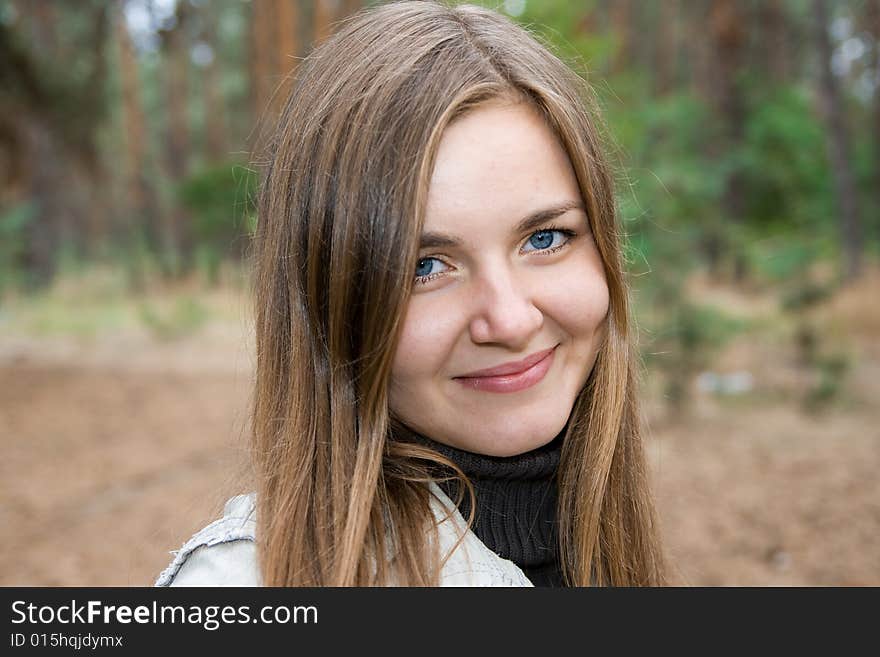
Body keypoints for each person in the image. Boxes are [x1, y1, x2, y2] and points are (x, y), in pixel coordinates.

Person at [155, 0, 667, 587]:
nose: (510, 319)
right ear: (330, 300)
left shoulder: (600, 541)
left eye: (545, 237)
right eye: (425, 266)